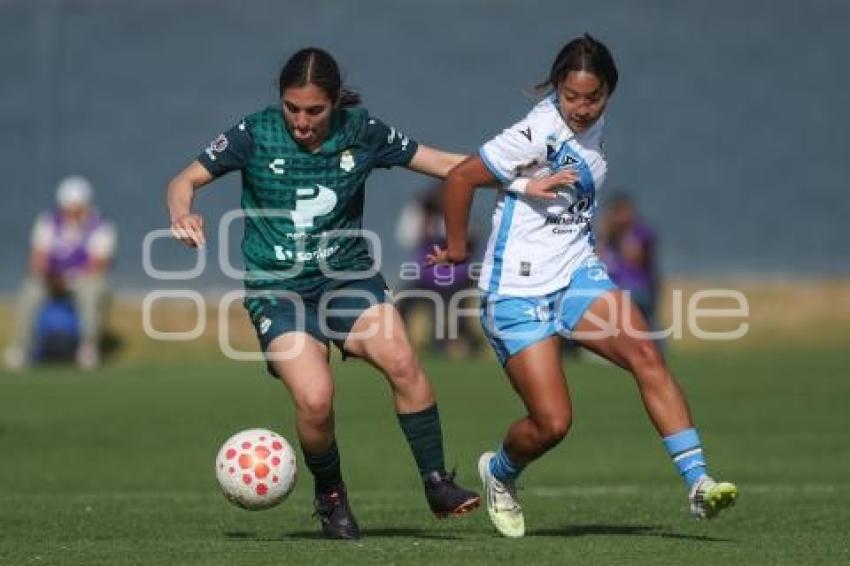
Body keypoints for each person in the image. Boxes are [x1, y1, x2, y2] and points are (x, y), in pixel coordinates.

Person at [428, 34, 738, 538]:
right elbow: (461, 177)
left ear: (609, 93)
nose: (582, 108)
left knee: (647, 356)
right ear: (556, 89)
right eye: (571, 97)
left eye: (592, 98)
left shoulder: (597, 124)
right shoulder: (537, 131)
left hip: (576, 272)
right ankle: (500, 474)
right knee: (552, 424)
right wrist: (459, 248)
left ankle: (698, 483)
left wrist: (525, 187)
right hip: (516, 291)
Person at [166, 48, 481, 540]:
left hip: (347, 280)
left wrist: (518, 175)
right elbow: (183, 180)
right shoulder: (255, 132)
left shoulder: (363, 132)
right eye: (293, 108)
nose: (301, 121)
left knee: (402, 359)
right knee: (315, 399)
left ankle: (437, 481)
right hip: (279, 291)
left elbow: (445, 163)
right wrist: (182, 213)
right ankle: (331, 496)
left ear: (335, 102)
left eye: (314, 110)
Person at [4, 176, 116, 370]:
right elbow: (38, 257)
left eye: (76, 207)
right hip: (52, 278)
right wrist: (50, 277)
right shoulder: (48, 222)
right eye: (68, 207)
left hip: (83, 278)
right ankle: (20, 347)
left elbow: (99, 263)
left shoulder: (100, 225)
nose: (72, 212)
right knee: (30, 290)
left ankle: (87, 347)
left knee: (92, 291)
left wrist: (72, 278)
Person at [395, 183, 480, 355]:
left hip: (456, 279)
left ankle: (466, 344)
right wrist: (424, 222)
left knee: (457, 315)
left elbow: (471, 237)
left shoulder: (458, 215)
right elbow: (406, 238)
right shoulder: (420, 218)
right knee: (403, 305)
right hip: (427, 279)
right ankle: (402, 344)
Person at [598, 193, 660, 331]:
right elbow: (599, 260)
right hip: (614, 290)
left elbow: (634, 258)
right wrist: (606, 233)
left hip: (637, 289)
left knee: (644, 329)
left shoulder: (639, 232)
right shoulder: (608, 238)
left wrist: (622, 233)